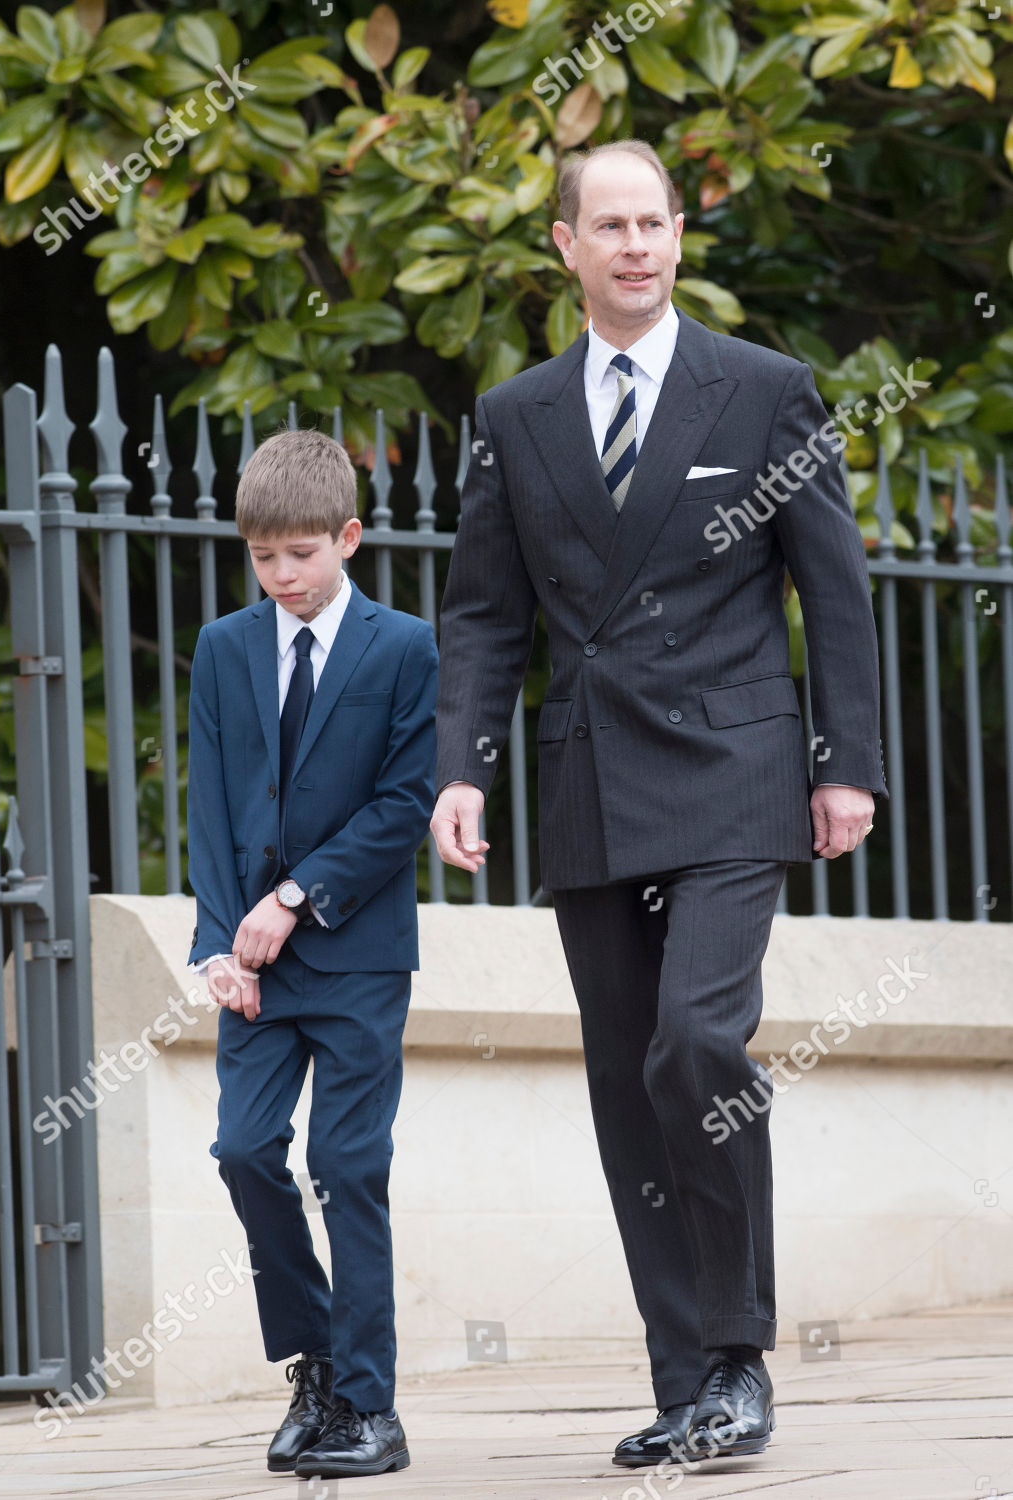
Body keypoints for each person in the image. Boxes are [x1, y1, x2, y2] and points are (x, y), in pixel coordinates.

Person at [430, 139, 885, 1469]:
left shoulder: (766, 391)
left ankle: (739, 1357)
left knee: (695, 1043)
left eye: (655, 223)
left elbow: (834, 589)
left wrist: (844, 762)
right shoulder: (513, 415)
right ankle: (687, 1385)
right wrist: (463, 767)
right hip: (590, 779)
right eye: (610, 225)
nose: (636, 246)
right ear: (565, 246)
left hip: (735, 772)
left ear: (679, 236)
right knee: (628, 1087)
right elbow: (483, 614)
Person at [186, 427, 437, 1479]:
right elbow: (208, 804)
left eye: (301, 553)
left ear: (349, 538)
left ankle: (371, 1410)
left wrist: (294, 899)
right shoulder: (223, 647)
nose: (282, 575)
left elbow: (404, 804)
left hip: (357, 956)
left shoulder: (405, 646)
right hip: (252, 965)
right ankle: (318, 1365)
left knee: (347, 1167)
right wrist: (216, 942)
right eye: (263, 557)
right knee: (244, 1151)